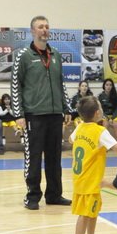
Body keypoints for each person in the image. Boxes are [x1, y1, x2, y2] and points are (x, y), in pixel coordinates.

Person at [10, 15, 72, 210]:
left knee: (55, 157)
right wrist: (18, 114)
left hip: (55, 115)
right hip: (33, 115)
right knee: (34, 158)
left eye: (46, 26)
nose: (44, 30)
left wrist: (66, 107)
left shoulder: (56, 55)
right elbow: (15, 85)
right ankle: (32, 196)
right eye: (40, 27)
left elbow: (61, 83)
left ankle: (54, 194)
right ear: (32, 31)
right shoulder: (23, 56)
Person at [69, 96, 117, 234]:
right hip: (89, 179)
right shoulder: (99, 132)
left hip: (81, 177)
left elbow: (70, 139)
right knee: (84, 214)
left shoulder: (79, 127)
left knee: (93, 211)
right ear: (97, 113)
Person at [98, 78, 117, 143]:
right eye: (107, 85)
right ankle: (105, 145)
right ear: (104, 86)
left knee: (116, 124)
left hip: (115, 116)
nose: (108, 87)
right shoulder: (100, 96)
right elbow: (99, 109)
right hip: (104, 116)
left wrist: (112, 118)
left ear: (112, 86)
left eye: (110, 85)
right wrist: (107, 118)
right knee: (105, 124)